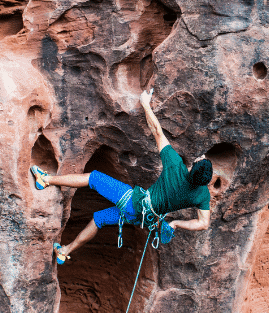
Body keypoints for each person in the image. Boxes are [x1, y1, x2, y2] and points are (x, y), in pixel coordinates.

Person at [30, 89, 213, 264]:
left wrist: (145, 104)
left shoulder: (175, 166)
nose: (201, 157)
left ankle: (45, 180)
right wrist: (175, 223)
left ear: (192, 168)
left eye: (199, 160)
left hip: (133, 202)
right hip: (144, 219)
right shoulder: (202, 195)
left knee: (93, 178)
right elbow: (203, 223)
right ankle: (64, 251)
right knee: (99, 219)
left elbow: (157, 131)